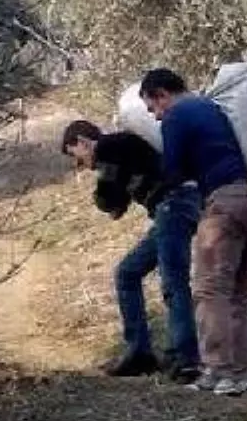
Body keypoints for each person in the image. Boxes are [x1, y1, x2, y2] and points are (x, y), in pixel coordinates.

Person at [139, 68, 247, 396]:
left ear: (162, 95)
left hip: (227, 205)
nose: (157, 117)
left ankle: (218, 371)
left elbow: (173, 171)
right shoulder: (217, 109)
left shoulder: (178, 114)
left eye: (153, 108)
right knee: (236, 294)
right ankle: (239, 373)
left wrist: (156, 188)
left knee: (209, 290)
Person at [60, 118, 202, 381]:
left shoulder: (109, 146)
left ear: (82, 142)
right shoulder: (120, 152)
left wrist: (106, 196)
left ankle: (185, 360)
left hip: (174, 205)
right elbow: (117, 202)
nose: (81, 165)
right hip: (172, 209)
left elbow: (107, 197)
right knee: (127, 273)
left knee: (174, 283)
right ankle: (140, 353)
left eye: (77, 157)